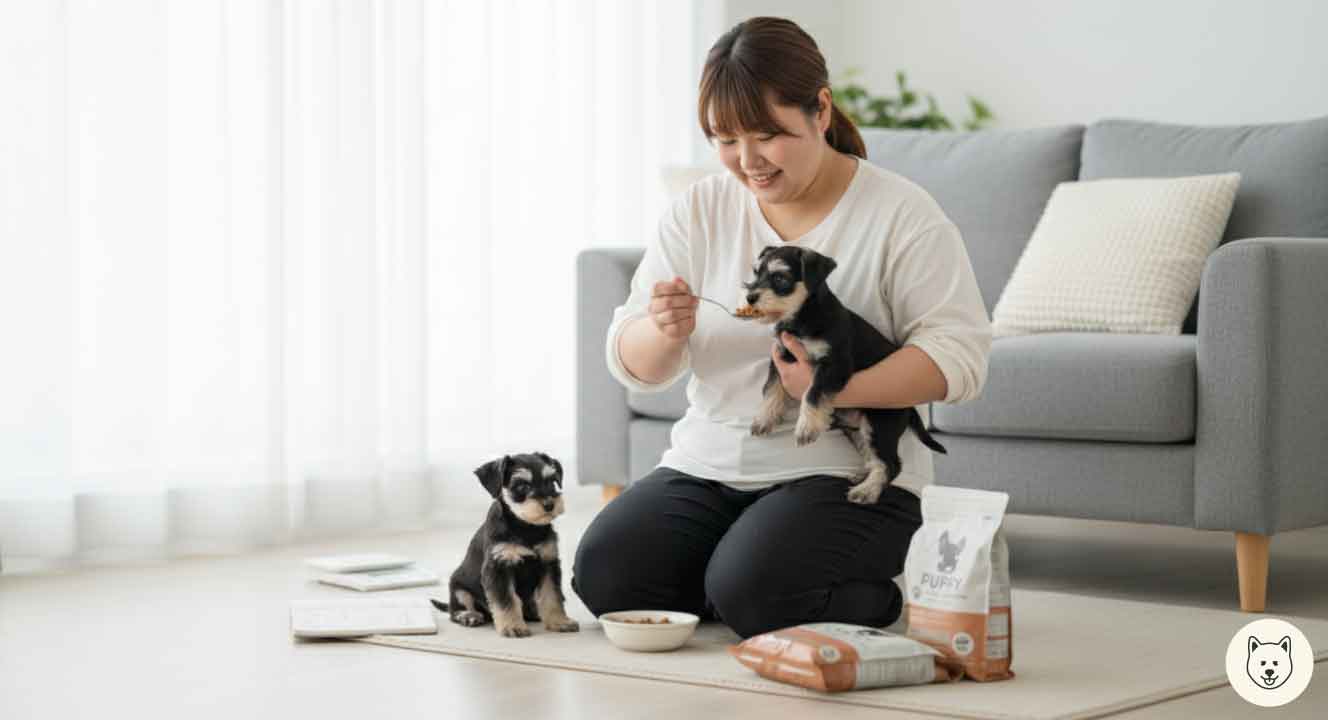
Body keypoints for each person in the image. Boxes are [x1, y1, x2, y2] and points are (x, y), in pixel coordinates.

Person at [571, 17, 992, 639]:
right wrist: (663, 330)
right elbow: (633, 362)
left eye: (768, 136)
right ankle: (749, 582)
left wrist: (832, 390)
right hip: (707, 465)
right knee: (607, 578)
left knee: (754, 592)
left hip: (843, 472)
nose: (748, 162)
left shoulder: (902, 214)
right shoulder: (700, 209)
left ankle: (854, 595)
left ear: (820, 109)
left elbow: (960, 357)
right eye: (725, 139)